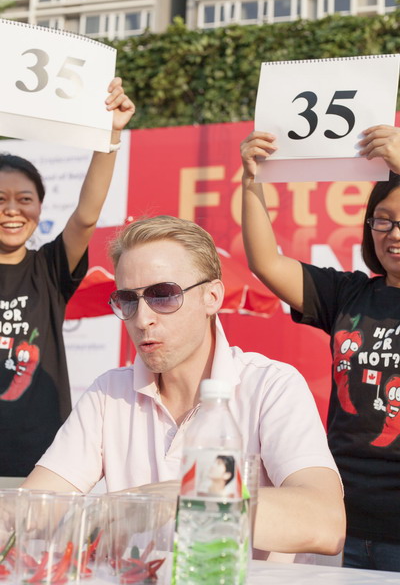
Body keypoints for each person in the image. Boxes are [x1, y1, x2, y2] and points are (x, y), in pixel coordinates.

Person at [22, 215, 344, 560]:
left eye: (163, 295)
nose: (142, 318)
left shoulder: (270, 385)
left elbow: (324, 523)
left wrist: (170, 503)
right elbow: (32, 509)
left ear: (212, 297)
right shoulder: (108, 392)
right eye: (128, 299)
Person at [240, 125, 400, 571]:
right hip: (342, 523)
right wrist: (251, 180)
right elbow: (266, 262)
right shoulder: (349, 294)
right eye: (383, 220)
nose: (394, 234)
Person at [0, 77, 135, 478]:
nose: (12, 210)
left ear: (40, 206)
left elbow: (87, 216)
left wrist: (110, 135)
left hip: (40, 463)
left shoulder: (49, 268)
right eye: (0, 200)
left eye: (24, 199)